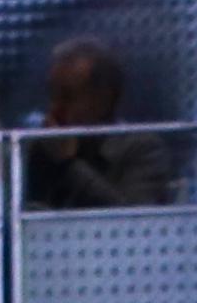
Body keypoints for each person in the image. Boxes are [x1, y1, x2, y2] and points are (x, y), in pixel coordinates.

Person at [22, 36, 182, 210]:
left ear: (104, 99)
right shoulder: (44, 150)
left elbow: (134, 223)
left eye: (68, 97)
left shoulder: (144, 151)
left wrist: (69, 165)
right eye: (52, 95)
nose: (56, 108)